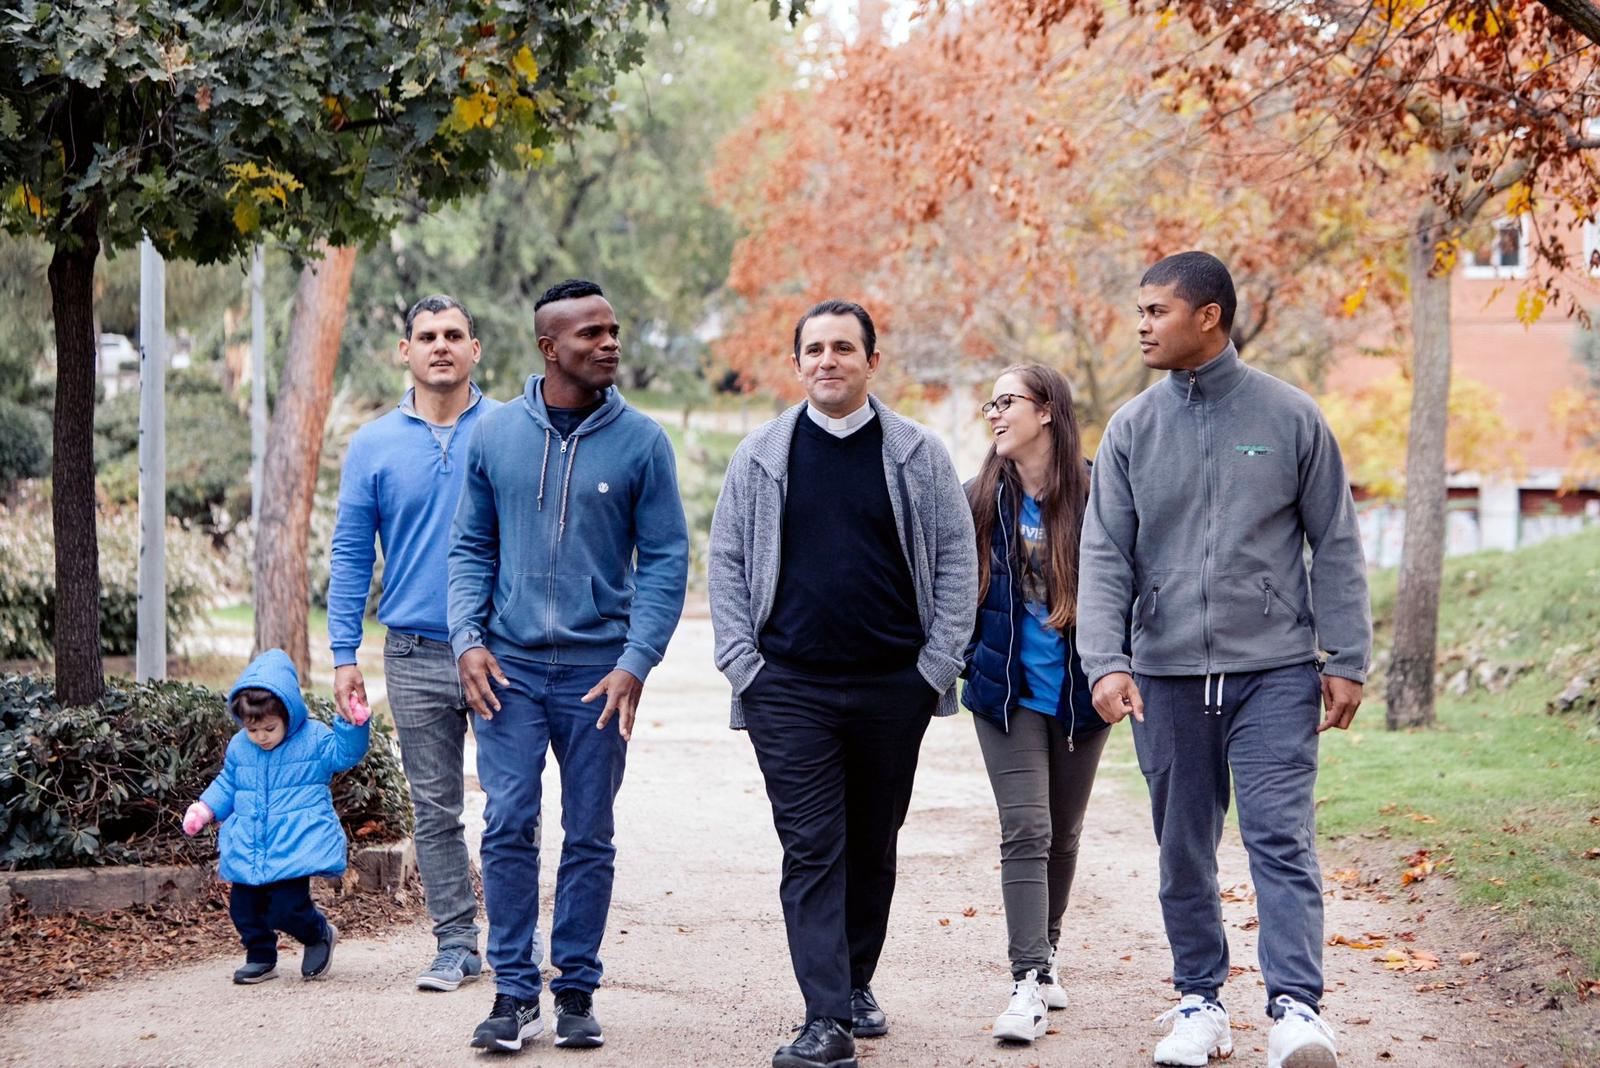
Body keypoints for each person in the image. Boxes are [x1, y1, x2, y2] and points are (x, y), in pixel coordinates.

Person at [1076, 251, 1371, 1068]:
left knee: (1279, 838)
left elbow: (1335, 543)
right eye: (1139, 311)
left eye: (1155, 311)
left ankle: (1295, 1010)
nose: (1142, 325)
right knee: (1182, 847)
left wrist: (1346, 655)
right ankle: (1199, 1002)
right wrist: (1105, 659)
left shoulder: (1290, 416)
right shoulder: (1133, 427)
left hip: (1274, 670)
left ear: (1208, 316)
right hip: (1165, 674)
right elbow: (1104, 555)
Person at [708, 299, 977, 1068]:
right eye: (814, 349)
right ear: (796, 364)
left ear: (871, 362)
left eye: (843, 348)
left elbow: (959, 564)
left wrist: (935, 668)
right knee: (812, 846)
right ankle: (825, 1017)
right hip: (786, 687)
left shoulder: (918, 455)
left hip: (895, 685)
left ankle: (856, 982)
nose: (828, 360)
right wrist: (743, 666)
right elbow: (726, 561)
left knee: (872, 841)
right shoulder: (762, 454)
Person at [448, 278, 689, 1054]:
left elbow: (665, 561)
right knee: (508, 823)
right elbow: (470, 548)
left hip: (597, 674)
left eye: (613, 329)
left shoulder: (644, 442)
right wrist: (467, 641)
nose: (608, 343)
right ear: (549, 348)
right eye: (590, 334)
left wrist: (636, 661)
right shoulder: (493, 436)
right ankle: (514, 993)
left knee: (589, 832)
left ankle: (576, 988)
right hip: (509, 670)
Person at [327, 293, 509, 993]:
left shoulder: (509, 429)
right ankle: (455, 943)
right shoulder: (373, 444)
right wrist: (345, 655)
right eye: (427, 335)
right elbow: (349, 555)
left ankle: (512, 940)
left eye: (454, 334)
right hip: (411, 652)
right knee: (435, 809)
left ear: (475, 349)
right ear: (405, 351)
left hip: (499, 651)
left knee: (510, 803)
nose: (441, 345)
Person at [961, 363, 1108, 1045]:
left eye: (1007, 401)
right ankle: (1025, 980)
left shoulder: (1100, 493)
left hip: (1081, 693)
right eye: (989, 404)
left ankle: (1045, 956)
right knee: (1026, 828)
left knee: (1064, 831)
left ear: (1047, 411)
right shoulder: (978, 499)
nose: (993, 414)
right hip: (1006, 691)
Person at [182, 648, 370, 985]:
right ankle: (260, 956)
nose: (261, 737)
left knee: (286, 908)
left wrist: (352, 725)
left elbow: (344, 754)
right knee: (244, 909)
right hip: (250, 841)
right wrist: (205, 808)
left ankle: (318, 934)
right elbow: (228, 783)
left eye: (269, 728)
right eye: (253, 730)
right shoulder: (241, 746)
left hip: (292, 843)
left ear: (289, 713)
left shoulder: (312, 739)